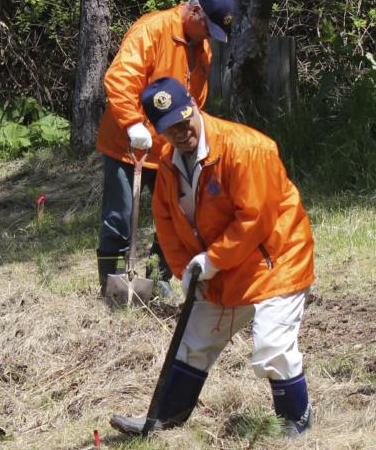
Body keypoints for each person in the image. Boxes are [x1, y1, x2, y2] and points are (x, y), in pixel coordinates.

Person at [109, 78, 315, 438]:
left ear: (194, 105)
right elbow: (167, 222)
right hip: (222, 268)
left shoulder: (248, 149)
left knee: (272, 346)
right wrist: (184, 271)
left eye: (184, 118)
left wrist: (212, 259)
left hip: (275, 260)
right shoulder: (169, 161)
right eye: (169, 127)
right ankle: (165, 423)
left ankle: (296, 425)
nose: (181, 130)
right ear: (158, 130)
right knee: (194, 340)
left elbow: (255, 219)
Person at [95, 0, 237, 296]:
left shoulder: (202, 47)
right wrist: (133, 123)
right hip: (128, 145)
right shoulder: (152, 29)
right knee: (118, 218)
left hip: (170, 149)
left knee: (176, 219)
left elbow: (195, 99)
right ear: (195, 11)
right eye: (208, 29)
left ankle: (158, 279)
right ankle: (113, 287)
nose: (207, 37)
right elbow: (121, 78)